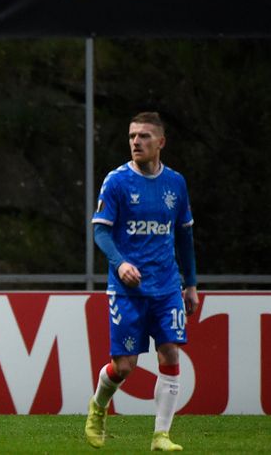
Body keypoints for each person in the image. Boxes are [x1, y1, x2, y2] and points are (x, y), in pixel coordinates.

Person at [85, 112, 198, 452]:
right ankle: (97, 408)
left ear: (160, 142)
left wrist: (190, 284)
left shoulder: (176, 183)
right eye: (133, 136)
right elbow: (101, 231)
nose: (136, 142)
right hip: (127, 289)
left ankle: (161, 436)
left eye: (145, 136)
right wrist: (120, 265)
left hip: (166, 286)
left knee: (169, 352)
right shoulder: (117, 181)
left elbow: (184, 237)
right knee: (124, 366)